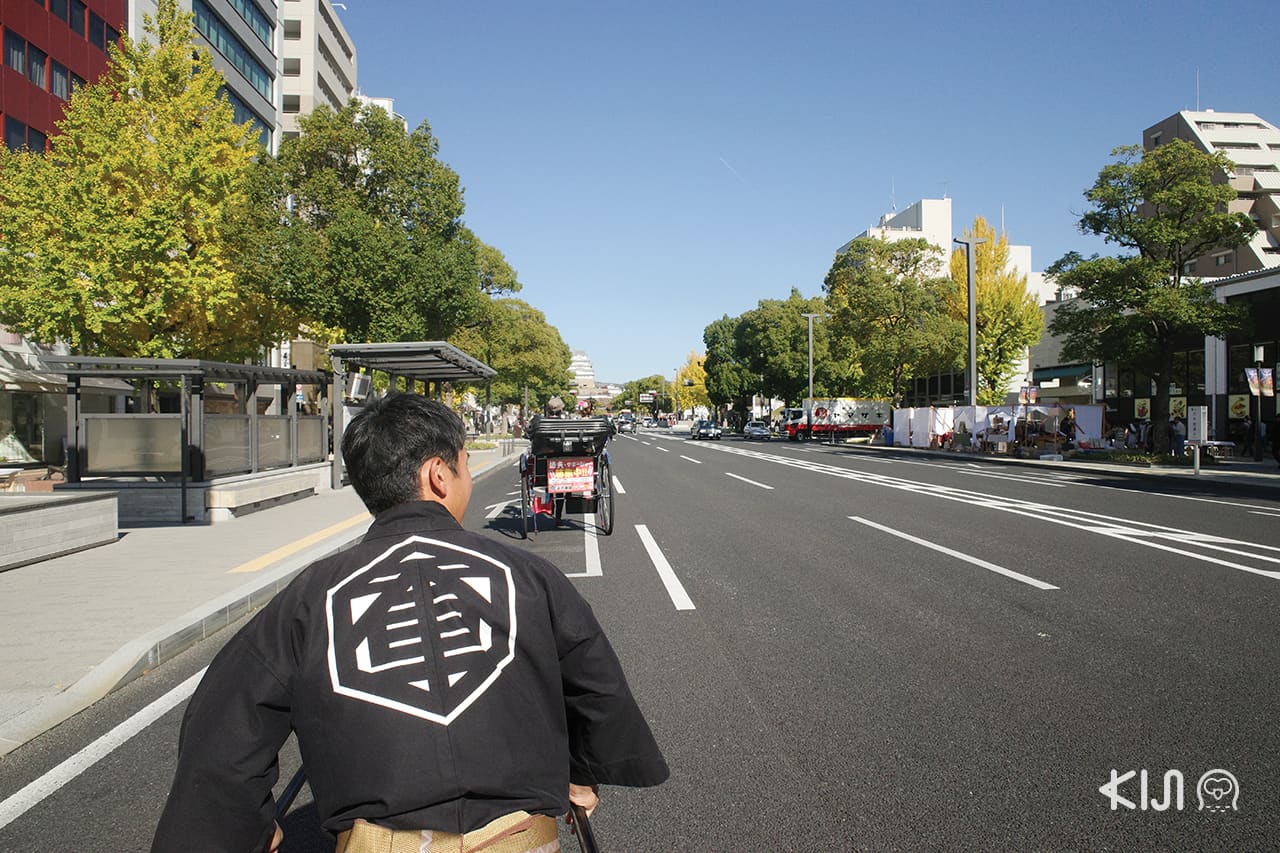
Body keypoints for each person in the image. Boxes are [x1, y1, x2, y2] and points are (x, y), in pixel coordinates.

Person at [152, 393, 668, 852]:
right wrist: (581, 775)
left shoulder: (309, 596)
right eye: (465, 466)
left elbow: (226, 723)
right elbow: (594, 681)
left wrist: (246, 827)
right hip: (516, 836)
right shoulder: (526, 573)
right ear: (439, 475)